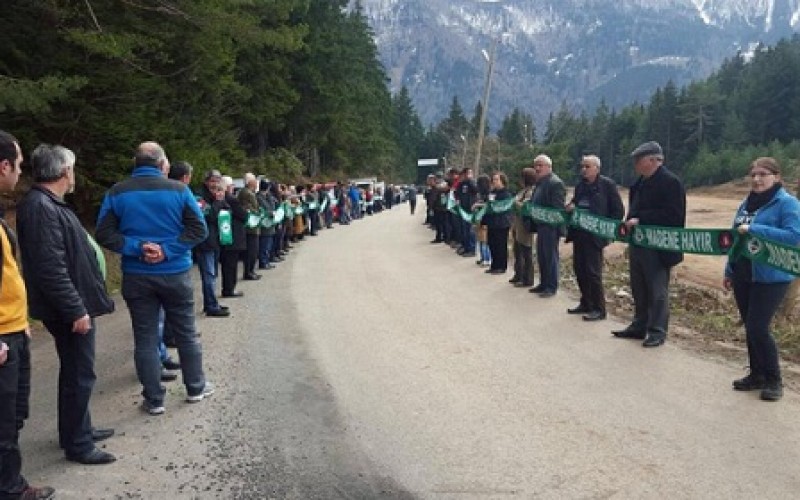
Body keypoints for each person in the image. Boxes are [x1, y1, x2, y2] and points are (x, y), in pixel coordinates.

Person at [16, 144, 117, 465]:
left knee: (77, 372)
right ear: (63, 172)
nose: (73, 176)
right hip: (68, 309)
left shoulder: (46, 204)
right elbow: (51, 267)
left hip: (70, 304)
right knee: (79, 374)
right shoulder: (40, 207)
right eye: (72, 169)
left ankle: (77, 429)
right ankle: (78, 443)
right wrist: (75, 309)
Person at [96, 141, 214, 415]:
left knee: (145, 337)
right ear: (163, 165)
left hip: (137, 275)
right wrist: (167, 250)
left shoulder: (117, 192)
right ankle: (196, 388)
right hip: (175, 272)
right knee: (186, 332)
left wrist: (138, 247)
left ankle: (154, 399)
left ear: (136, 164)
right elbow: (199, 230)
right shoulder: (180, 190)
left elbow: (104, 233)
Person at [0, 130, 56, 499]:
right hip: (2, 338)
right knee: (3, 422)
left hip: (13, 329)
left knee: (14, 415)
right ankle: (10, 488)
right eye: (18, 165)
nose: (20, 173)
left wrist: (21, 322)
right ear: (4, 166)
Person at [723, 157, 800, 401]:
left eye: (763, 174)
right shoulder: (746, 203)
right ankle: (756, 374)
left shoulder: (787, 204)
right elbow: (736, 239)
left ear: (776, 177)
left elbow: (793, 237)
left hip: (772, 277)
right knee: (750, 326)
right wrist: (729, 270)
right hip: (744, 273)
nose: (756, 179)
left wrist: (756, 230)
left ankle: (774, 380)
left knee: (758, 327)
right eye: (753, 174)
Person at [612, 141, 686, 348]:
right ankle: (639, 325)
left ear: (654, 160)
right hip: (639, 243)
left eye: (639, 160)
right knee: (639, 287)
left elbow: (674, 215)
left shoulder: (670, 182)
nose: (635, 164)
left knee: (657, 290)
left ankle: (657, 330)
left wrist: (642, 219)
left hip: (660, 246)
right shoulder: (640, 183)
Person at [564, 155, 624, 321]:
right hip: (579, 234)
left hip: (595, 236)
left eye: (587, 166)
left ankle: (599, 308)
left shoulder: (607, 185)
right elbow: (575, 202)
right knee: (579, 270)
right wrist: (571, 207)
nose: (583, 169)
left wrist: (607, 230)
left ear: (597, 168)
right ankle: (586, 302)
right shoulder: (580, 186)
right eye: (582, 166)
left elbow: (618, 211)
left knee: (593, 273)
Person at [194, 170, 231, 316]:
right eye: (213, 180)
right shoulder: (199, 196)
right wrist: (217, 201)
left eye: (218, 180)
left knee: (214, 273)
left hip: (216, 239)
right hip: (204, 241)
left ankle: (212, 302)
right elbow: (210, 216)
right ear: (206, 181)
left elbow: (227, 211)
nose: (215, 183)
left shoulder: (219, 195)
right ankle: (211, 306)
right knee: (208, 274)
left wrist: (221, 200)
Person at [529, 155, 566, 298]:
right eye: (535, 165)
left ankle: (551, 286)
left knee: (550, 256)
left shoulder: (555, 183)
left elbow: (558, 208)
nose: (537, 168)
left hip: (551, 226)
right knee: (542, 255)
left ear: (549, 167)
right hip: (540, 225)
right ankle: (543, 283)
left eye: (540, 165)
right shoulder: (540, 183)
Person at [220, 175, 247, 297]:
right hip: (233, 236)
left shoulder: (221, 199)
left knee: (227, 265)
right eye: (231, 185)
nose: (233, 188)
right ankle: (229, 289)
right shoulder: (231, 199)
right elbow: (243, 215)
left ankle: (228, 288)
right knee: (231, 265)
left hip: (225, 234)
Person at [509, 167, 536, 288]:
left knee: (526, 252)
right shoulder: (522, 191)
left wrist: (514, 203)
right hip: (517, 224)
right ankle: (518, 274)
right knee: (517, 251)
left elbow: (525, 207)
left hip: (525, 226)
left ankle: (527, 278)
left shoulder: (530, 192)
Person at [483, 172, 512, 274]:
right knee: (492, 244)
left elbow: (504, 208)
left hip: (501, 223)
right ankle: (494, 265)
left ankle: (501, 266)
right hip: (492, 222)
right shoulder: (492, 193)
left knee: (501, 245)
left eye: (496, 179)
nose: (494, 181)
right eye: (493, 179)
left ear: (502, 181)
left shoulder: (506, 194)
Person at [238, 173, 261, 280]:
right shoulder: (246, 193)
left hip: (253, 225)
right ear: (250, 182)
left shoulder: (249, 193)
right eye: (255, 181)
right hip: (250, 227)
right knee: (251, 251)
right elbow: (248, 208)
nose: (256, 183)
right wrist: (257, 212)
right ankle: (248, 272)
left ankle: (251, 271)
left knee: (253, 250)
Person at [457, 168, 478, 257]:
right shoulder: (461, 184)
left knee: (470, 230)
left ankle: (472, 249)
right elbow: (458, 193)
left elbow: (476, 190)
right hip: (463, 209)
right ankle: (466, 247)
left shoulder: (472, 183)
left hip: (471, 210)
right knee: (464, 230)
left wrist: (470, 180)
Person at [474, 174, 492, 267]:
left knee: (485, 240)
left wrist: (478, 205)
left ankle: (487, 258)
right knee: (480, 239)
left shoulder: (489, 194)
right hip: (479, 218)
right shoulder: (479, 194)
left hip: (486, 218)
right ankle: (482, 257)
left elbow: (488, 205)